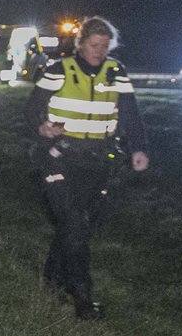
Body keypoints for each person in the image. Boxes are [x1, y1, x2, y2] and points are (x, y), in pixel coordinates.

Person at [25, 16, 150, 318]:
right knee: (76, 225)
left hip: (96, 161)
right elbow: (33, 107)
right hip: (58, 156)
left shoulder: (116, 72)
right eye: (94, 45)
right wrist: (43, 127)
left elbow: (131, 113)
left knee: (75, 225)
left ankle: (52, 279)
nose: (99, 51)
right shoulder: (59, 70)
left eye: (105, 46)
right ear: (80, 44)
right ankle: (82, 296)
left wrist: (139, 148)